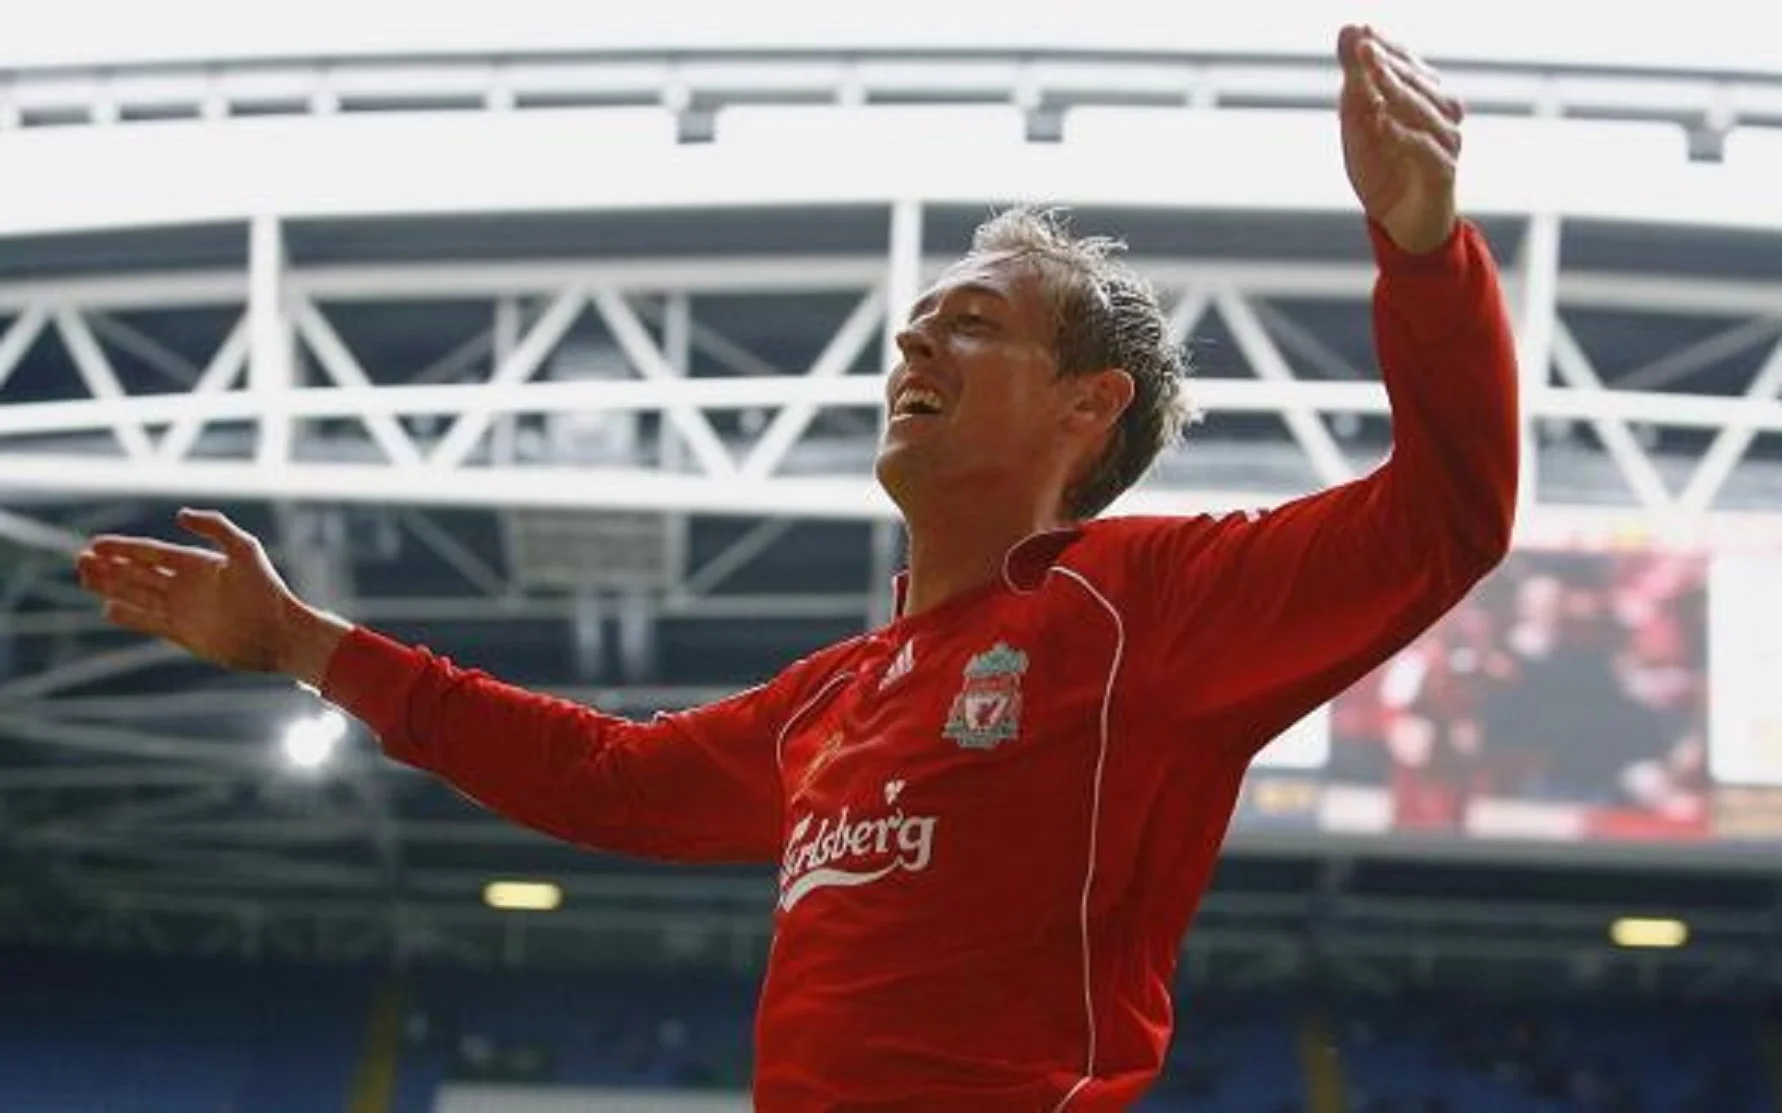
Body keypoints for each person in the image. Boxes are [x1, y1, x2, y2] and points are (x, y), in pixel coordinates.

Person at [75, 24, 1518, 1112]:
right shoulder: (834, 699)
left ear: (1088, 407)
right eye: (917, 324)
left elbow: (1442, 520)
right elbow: (606, 782)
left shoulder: (1144, 605)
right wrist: (305, 645)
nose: (915, 341)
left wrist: (1422, 249)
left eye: (973, 323)